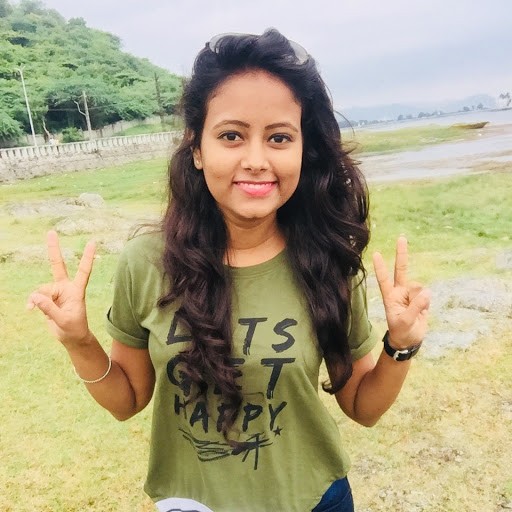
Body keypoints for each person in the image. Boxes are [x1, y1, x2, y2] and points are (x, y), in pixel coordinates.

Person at [28, 29, 430, 512]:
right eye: (231, 136)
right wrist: (79, 342)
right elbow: (127, 401)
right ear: (197, 149)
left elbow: (362, 407)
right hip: (193, 503)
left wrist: (400, 345)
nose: (256, 161)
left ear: (304, 150)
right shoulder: (147, 261)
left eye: (279, 138)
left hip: (314, 500)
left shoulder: (327, 262)